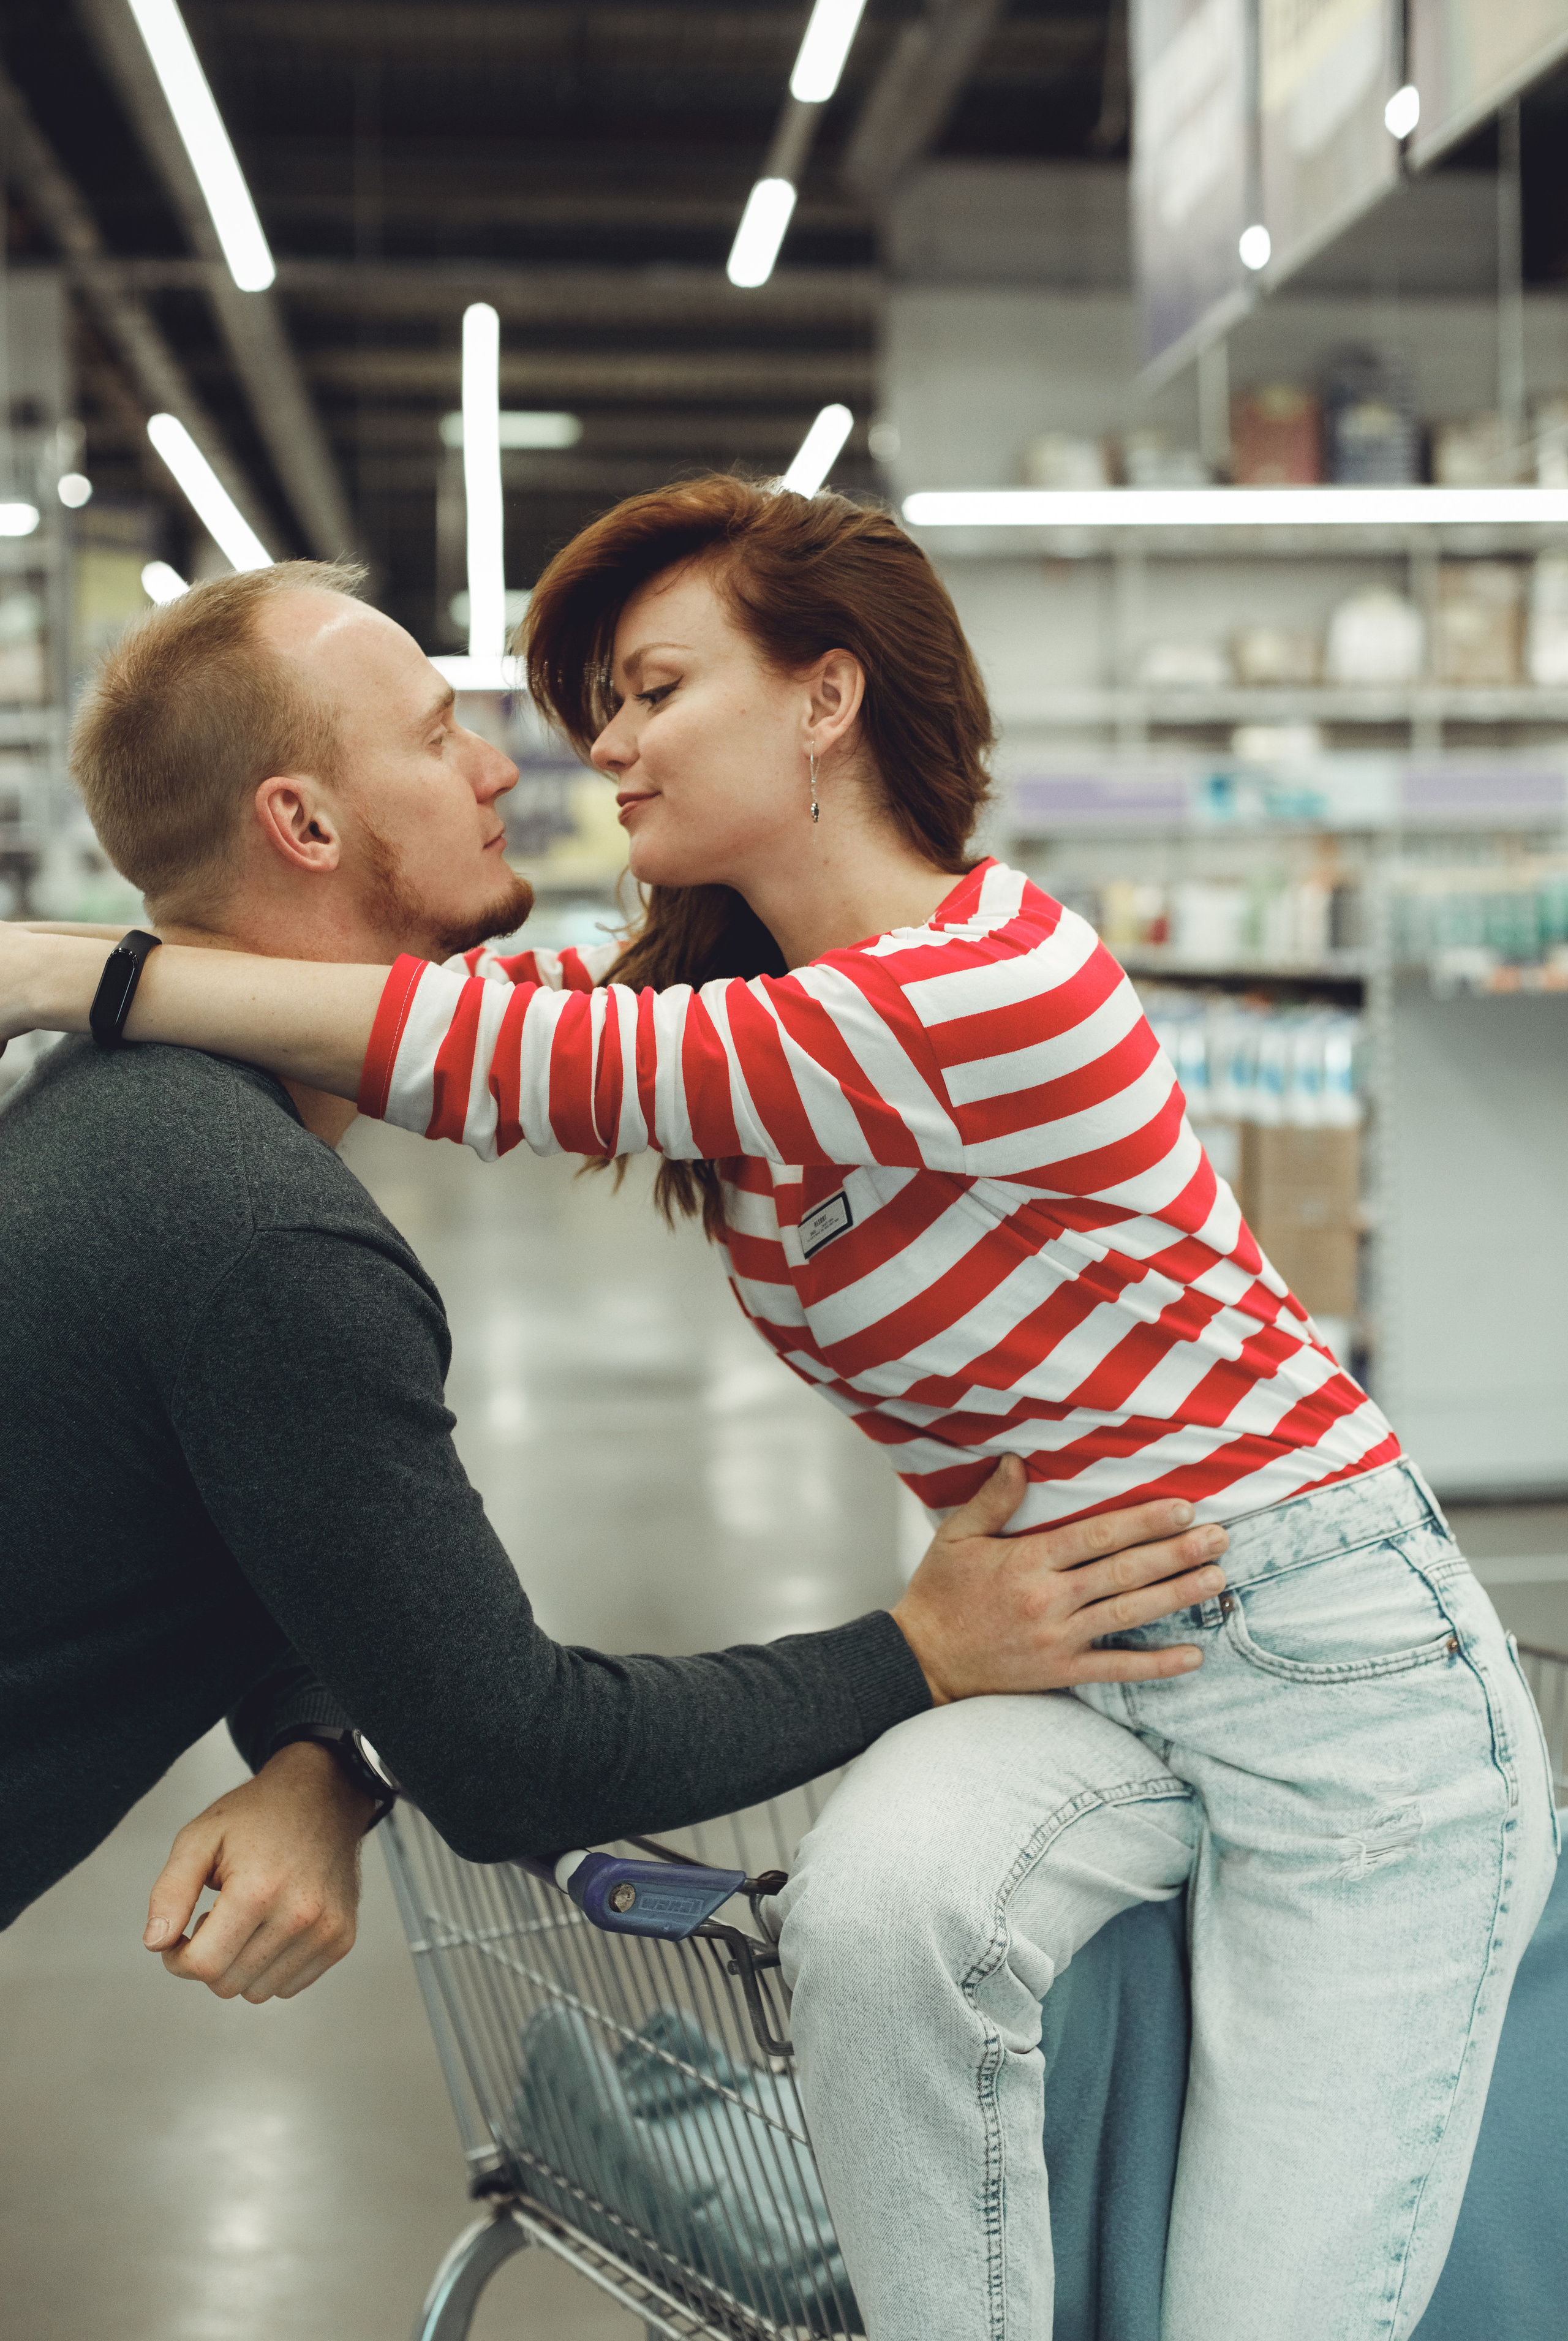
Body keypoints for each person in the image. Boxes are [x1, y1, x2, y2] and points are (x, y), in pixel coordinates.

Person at [5, 484, 1557, 2340]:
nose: (596, 745)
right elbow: (480, 1067)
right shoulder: (701, 1011)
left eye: (653, 688)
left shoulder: (1002, 982)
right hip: (1080, 1647)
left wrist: (53, 968)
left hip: (1330, 1672)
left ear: (825, 701)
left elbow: (527, 1063)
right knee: (870, 1927)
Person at [0, 557, 1224, 2014]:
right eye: (434, 735)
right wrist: (919, 1649)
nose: (505, 767)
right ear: (304, 823)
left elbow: (267, 1512)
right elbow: (519, 1761)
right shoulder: (258, 1237)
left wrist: (315, 1750)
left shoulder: (130, 1111)